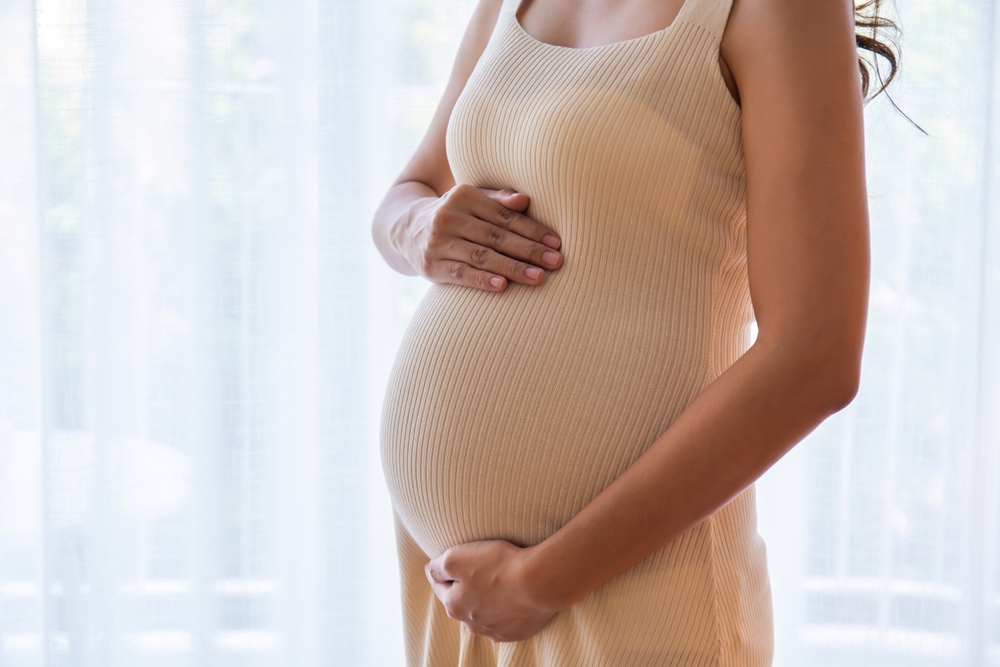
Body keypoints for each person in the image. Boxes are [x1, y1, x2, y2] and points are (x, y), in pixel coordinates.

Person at [371, 0, 898, 663]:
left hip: (633, 588)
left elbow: (815, 356)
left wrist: (544, 578)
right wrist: (415, 226)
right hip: (460, 595)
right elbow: (412, 188)